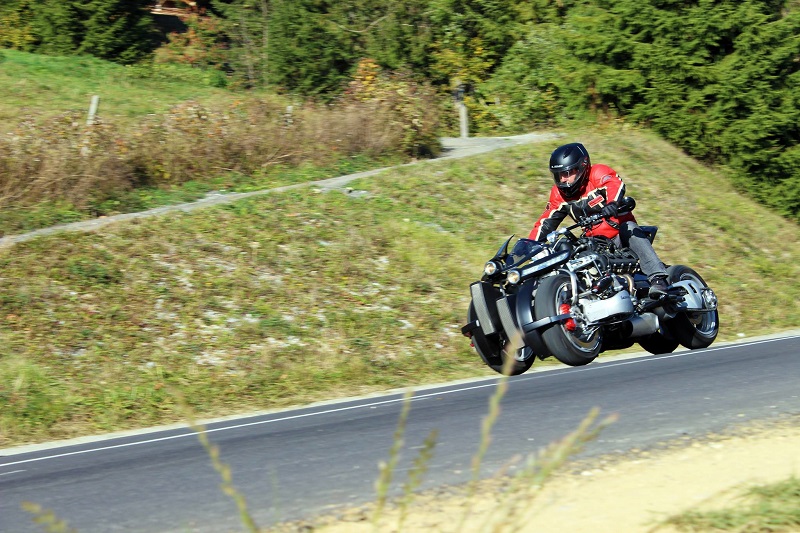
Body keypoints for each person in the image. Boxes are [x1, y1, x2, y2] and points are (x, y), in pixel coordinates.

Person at [529, 142, 670, 298]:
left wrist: (612, 204)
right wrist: (530, 247)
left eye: (568, 173)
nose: (563, 180)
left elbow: (614, 184)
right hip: (595, 243)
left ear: (582, 167)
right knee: (566, 247)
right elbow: (545, 222)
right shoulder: (558, 194)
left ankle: (658, 278)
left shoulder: (597, 173)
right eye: (559, 175)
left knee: (629, 228)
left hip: (619, 236)